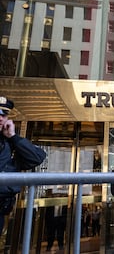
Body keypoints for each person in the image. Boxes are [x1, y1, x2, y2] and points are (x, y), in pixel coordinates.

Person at [0, 96, 46, 232]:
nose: (1, 118)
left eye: (4, 114)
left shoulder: (10, 142)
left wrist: (14, 137)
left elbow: (37, 158)